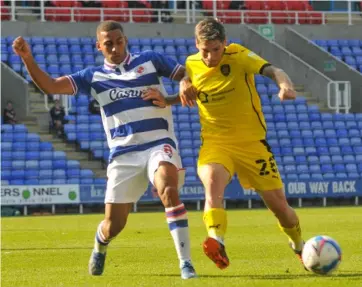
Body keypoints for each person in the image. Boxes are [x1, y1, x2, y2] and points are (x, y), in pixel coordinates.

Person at [12, 20, 197, 279]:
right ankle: (100, 244)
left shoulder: (151, 60)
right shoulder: (93, 77)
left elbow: (188, 73)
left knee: (168, 188)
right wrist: (28, 59)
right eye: (108, 44)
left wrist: (185, 83)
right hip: (123, 154)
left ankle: (186, 263)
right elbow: (52, 86)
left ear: (125, 40)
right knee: (114, 225)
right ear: (99, 46)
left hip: (159, 142)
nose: (115, 47)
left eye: (119, 41)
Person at [144, 18, 305, 271]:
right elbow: (192, 94)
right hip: (216, 142)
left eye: (216, 49)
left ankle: (298, 246)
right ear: (196, 44)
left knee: (280, 209)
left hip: (253, 145)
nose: (209, 57)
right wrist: (170, 98)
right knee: (211, 181)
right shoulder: (191, 64)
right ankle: (216, 241)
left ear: (225, 44)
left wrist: (285, 86)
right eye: (204, 50)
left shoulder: (239, 56)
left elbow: (274, 70)